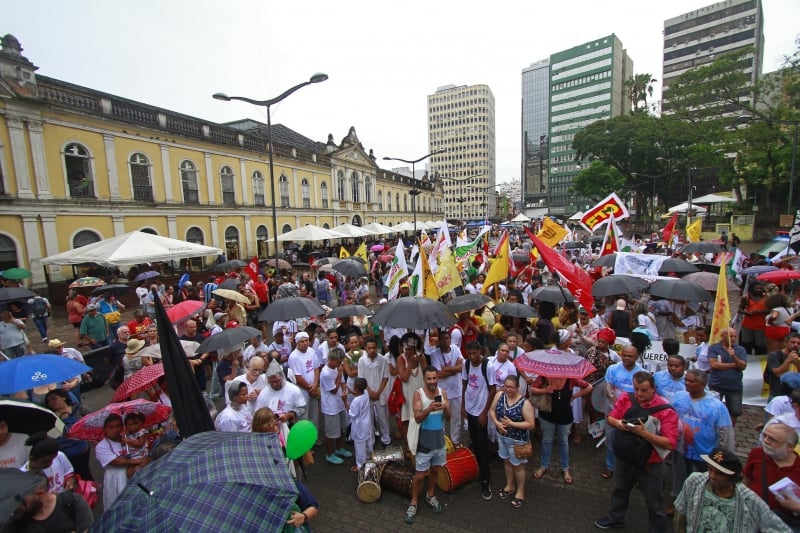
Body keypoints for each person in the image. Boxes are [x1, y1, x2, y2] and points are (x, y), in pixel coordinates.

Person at [594, 371, 679, 531]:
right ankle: (615, 518)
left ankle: (658, 529)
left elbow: (670, 443)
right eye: (636, 389)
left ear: (654, 389)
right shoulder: (627, 398)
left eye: (644, 390)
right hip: (624, 457)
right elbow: (611, 417)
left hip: (650, 463)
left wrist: (644, 434)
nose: (639, 393)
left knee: (654, 500)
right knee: (619, 489)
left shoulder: (666, 410)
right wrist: (619, 424)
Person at [674, 447, 789, 533]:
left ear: (732, 477)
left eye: (719, 473)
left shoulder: (750, 500)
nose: (712, 476)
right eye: (710, 470)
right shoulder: (695, 481)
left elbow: (778, 528)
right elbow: (680, 512)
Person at [670, 369, 735, 516]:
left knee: (702, 485)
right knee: (679, 479)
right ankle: (679, 506)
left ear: (702, 384)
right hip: (681, 449)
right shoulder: (678, 398)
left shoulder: (716, 406)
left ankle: (698, 510)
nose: (687, 383)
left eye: (691, 381)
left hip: (704, 455)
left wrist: (725, 458)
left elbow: (725, 433)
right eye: (686, 380)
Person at [404, 366, 449, 524]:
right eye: (429, 379)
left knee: (435, 469)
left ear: (438, 378)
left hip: (439, 441)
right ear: (424, 379)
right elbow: (417, 418)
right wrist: (429, 408)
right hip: (424, 442)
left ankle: (431, 494)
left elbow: (448, 417)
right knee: (420, 475)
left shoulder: (442, 393)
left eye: (434, 378)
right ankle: (414, 501)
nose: (432, 381)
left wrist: (446, 408)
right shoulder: (419, 394)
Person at [530, 370, 592, 485]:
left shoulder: (571, 378)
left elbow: (588, 387)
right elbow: (532, 389)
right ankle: (543, 466)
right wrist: (545, 390)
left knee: (563, 442)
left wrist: (574, 396)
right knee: (547, 440)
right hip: (547, 415)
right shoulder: (544, 376)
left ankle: (565, 468)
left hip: (565, 417)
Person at [489, 374, 535, 509]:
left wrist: (512, 424)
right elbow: (492, 410)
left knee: (518, 466)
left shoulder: (525, 403)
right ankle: (510, 485)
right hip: (502, 436)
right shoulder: (499, 395)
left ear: (518, 387)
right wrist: (497, 423)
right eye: (506, 386)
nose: (508, 390)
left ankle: (520, 492)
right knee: (506, 462)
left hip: (517, 440)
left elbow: (531, 424)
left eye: (512, 387)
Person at [743, 422, 800, 530]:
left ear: (789, 447)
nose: (765, 441)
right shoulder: (757, 453)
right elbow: (746, 479)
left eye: (772, 439)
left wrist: (796, 507)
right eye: (765, 436)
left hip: (785, 525)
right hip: (753, 519)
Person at [601, 345, 644, 480]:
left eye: (630, 356)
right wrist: (614, 401)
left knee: (632, 440)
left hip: (633, 413)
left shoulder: (642, 373)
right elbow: (609, 387)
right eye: (624, 355)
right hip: (613, 410)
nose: (626, 358)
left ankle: (630, 469)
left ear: (636, 357)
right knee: (611, 437)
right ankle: (610, 466)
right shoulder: (613, 369)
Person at [2, 471, 93, 532]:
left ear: (40, 494)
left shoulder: (72, 502)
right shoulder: (15, 523)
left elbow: (89, 529)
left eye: (19, 500)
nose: (15, 506)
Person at [461, 340, 493, 500]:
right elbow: (464, 384)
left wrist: (485, 412)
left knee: (482, 446)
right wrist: (462, 405)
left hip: (481, 411)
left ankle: (486, 480)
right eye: (470, 354)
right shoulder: (466, 364)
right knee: (473, 441)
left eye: (475, 353)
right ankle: (475, 469)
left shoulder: (488, 366)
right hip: (469, 409)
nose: (472, 356)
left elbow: (493, 389)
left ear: (480, 351)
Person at [95, 413, 147, 508]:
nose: (115, 430)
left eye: (118, 426)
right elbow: (116, 462)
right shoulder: (101, 446)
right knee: (119, 505)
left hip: (135, 472)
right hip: (116, 478)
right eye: (111, 427)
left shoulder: (128, 439)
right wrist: (138, 461)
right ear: (105, 429)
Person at [43, 390, 92, 481]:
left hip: (82, 449)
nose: (51, 402)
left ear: (64, 397)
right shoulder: (52, 418)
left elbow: (93, 421)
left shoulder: (79, 409)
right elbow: (51, 436)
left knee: (85, 474)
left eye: (54, 399)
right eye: (48, 401)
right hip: (66, 453)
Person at [254, 360, 307, 444]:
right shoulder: (264, 393)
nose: (274, 384)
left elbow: (302, 407)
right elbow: (257, 413)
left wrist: (289, 415)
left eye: (276, 381)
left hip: (290, 427)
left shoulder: (293, 389)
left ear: (282, 378)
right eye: (271, 382)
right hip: (270, 430)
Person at [429, 329, 464, 445]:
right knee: (440, 416)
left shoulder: (456, 349)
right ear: (438, 340)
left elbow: (461, 367)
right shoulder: (435, 354)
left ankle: (455, 440)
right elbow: (438, 374)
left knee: (456, 417)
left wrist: (447, 369)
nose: (445, 341)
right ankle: (441, 441)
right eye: (442, 339)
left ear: (450, 339)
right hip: (441, 391)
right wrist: (454, 369)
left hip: (457, 390)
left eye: (447, 338)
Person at [708, 327, 748, 425]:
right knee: (713, 410)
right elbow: (714, 364)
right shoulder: (714, 348)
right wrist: (734, 365)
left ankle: (730, 432)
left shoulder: (740, 350)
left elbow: (742, 366)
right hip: (716, 384)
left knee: (734, 411)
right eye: (731, 336)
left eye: (735, 336)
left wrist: (734, 357)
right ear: (722, 336)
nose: (733, 338)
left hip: (734, 386)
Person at [357, 336, 391, 449]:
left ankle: (386, 439)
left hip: (380, 392)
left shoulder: (382, 360)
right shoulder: (361, 361)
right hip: (367, 393)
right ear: (365, 348)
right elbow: (361, 378)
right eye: (369, 348)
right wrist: (370, 392)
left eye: (374, 348)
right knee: (369, 419)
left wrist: (378, 392)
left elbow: (385, 377)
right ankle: (370, 441)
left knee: (383, 418)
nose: (372, 350)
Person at [319, 349, 351, 465]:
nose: (340, 364)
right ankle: (330, 454)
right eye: (338, 362)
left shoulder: (337, 368)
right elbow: (333, 389)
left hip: (339, 404)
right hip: (330, 407)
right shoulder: (326, 373)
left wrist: (345, 391)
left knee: (341, 428)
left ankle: (339, 448)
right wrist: (340, 373)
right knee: (331, 432)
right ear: (331, 360)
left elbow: (342, 383)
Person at [288, 332, 321, 431]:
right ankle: (305, 442)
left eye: (306, 340)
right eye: (302, 341)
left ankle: (314, 437)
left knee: (314, 415)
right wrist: (310, 388)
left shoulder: (311, 351)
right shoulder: (293, 356)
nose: (305, 343)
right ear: (297, 343)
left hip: (313, 389)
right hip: (302, 392)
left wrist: (315, 385)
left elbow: (316, 368)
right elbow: (297, 377)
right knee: (304, 417)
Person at [396, 333, 426, 440]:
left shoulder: (421, 357)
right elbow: (404, 378)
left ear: (415, 348)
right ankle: (408, 446)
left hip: (420, 393)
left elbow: (427, 374)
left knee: (421, 418)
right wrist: (410, 365)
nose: (408, 352)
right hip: (407, 394)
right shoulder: (401, 359)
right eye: (406, 349)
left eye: (411, 349)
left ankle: (421, 442)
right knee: (407, 420)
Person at [765, 332, 800, 401]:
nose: (796, 345)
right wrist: (788, 360)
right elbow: (777, 373)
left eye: (798, 343)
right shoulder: (774, 355)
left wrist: (798, 364)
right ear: (785, 343)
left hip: (796, 396)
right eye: (792, 342)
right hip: (777, 394)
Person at [349, 376, 373, 474]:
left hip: (359, 427)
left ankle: (361, 467)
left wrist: (344, 401)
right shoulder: (366, 393)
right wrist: (351, 392)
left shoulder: (355, 401)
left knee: (359, 449)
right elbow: (358, 395)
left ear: (356, 389)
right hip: (367, 424)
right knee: (368, 443)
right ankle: (369, 459)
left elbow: (352, 413)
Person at [739, 281, 768, 356]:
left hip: (761, 326)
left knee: (760, 345)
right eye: (757, 288)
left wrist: (760, 311)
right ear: (752, 289)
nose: (759, 290)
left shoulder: (766, 298)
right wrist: (746, 313)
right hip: (747, 325)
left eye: (760, 288)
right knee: (747, 343)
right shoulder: (746, 298)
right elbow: (740, 309)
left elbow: (771, 310)